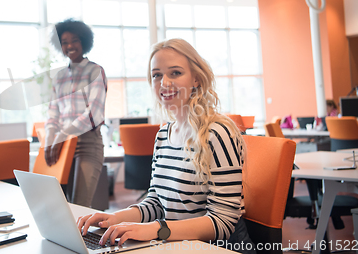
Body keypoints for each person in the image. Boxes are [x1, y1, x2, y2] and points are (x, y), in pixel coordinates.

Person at [77, 38, 255, 253]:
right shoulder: (164, 134)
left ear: (196, 79)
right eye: (156, 75)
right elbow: (157, 201)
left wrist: (156, 229)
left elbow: (223, 222)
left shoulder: (217, 133)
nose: (164, 83)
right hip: (177, 244)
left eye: (175, 73)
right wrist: (114, 218)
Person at [44, 19, 107, 207]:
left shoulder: (95, 71)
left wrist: (63, 134)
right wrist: (49, 137)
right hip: (61, 145)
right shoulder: (59, 77)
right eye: (64, 42)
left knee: (79, 205)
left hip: (87, 144)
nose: (69, 45)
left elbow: (94, 113)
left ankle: (81, 238)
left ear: (84, 42)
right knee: (60, 204)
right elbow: (53, 112)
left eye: (75, 40)